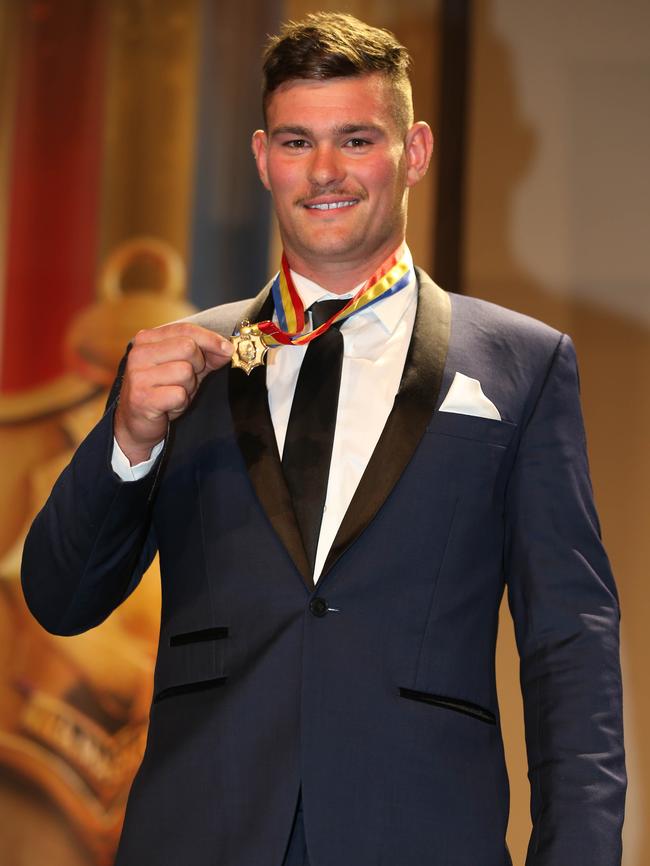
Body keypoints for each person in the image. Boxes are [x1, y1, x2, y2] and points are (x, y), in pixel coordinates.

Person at [21, 12, 625, 866]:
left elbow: (570, 644)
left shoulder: (524, 366)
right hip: (200, 833)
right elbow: (58, 596)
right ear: (264, 157)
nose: (327, 172)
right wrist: (127, 439)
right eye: (299, 143)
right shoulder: (174, 359)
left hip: (420, 835)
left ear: (413, 151)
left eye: (356, 139)